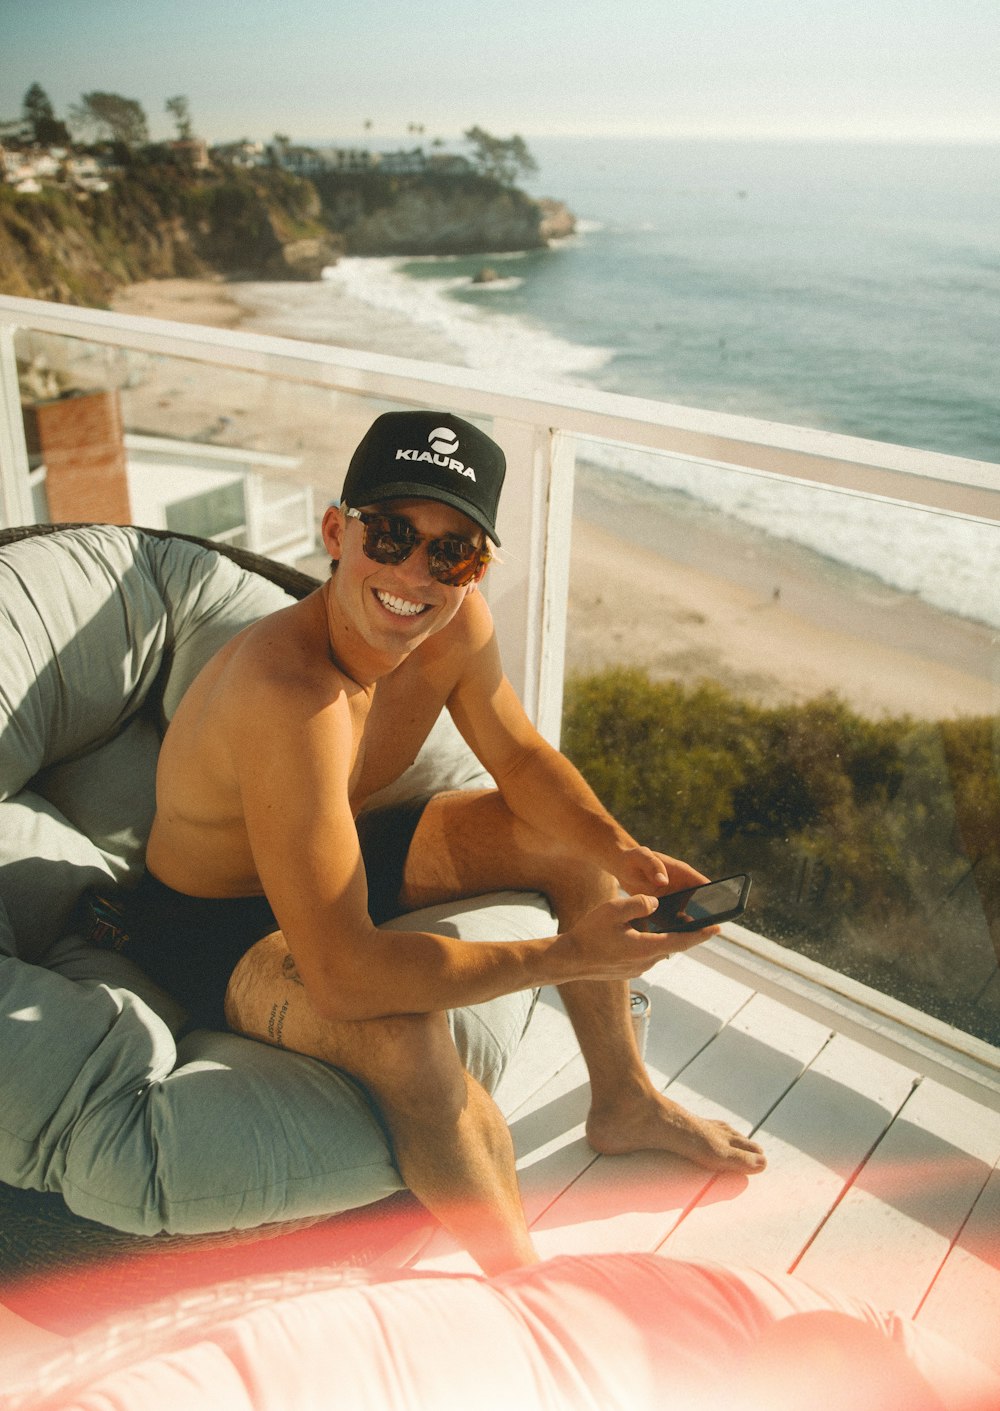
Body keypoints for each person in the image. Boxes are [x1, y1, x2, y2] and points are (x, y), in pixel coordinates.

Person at [131, 410, 765, 1275]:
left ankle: (623, 1100)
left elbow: (521, 756)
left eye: (450, 552)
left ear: (477, 568)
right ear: (335, 532)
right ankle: (523, 1286)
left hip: (345, 848)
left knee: (567, 844)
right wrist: (567, 956)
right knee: (408, 1041)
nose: (412, 573)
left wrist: (623, 853)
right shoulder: (289, 692)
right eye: (389, 534)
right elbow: (346, 974)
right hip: (212, 925)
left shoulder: (453, 628)